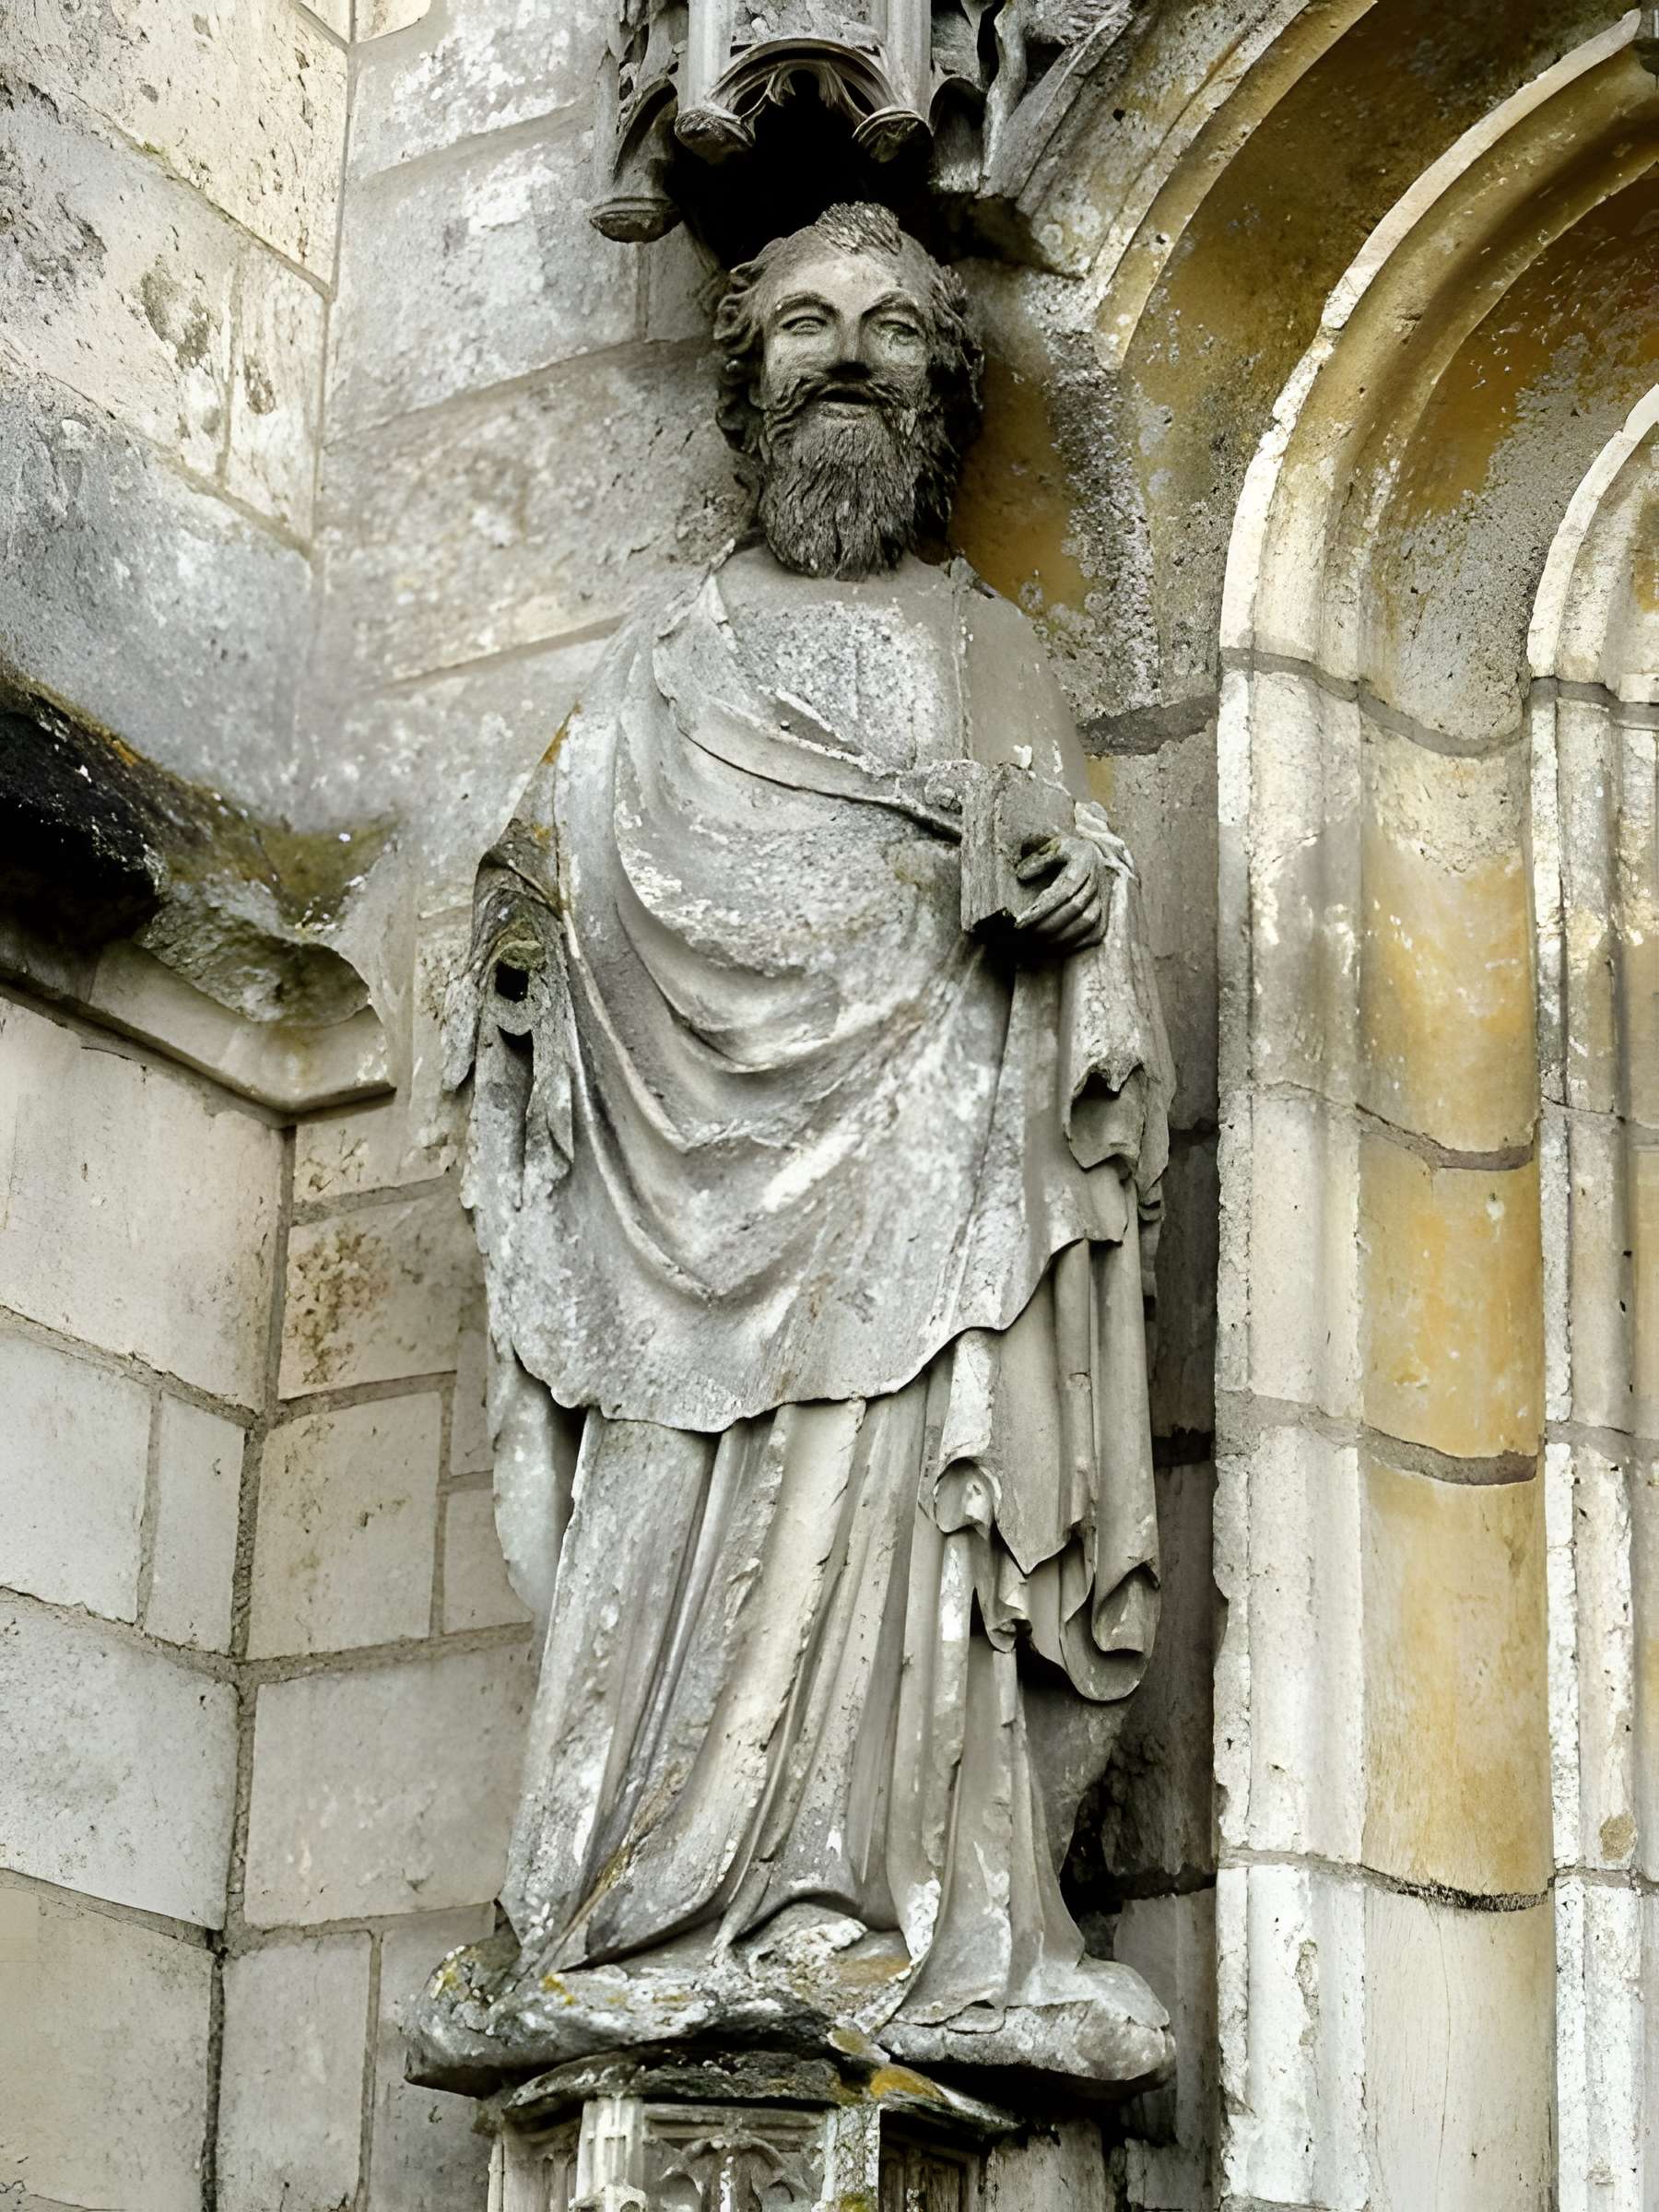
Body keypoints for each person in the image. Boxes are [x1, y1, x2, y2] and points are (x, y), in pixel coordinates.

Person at [410, 201, 1175, 2098]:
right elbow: (538, 883)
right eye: (808, 327)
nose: (850, 356)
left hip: (926, 1193)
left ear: (944, 389)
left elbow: (1069, 899)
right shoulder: (662, 664)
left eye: (898, 329)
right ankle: (621, 1915)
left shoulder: (986, 652)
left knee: (916, 1533)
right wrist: (518, 955)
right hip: (680, 1221)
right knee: (664, 1527)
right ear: (748, 386)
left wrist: (1081, 896)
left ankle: (914, 1921)